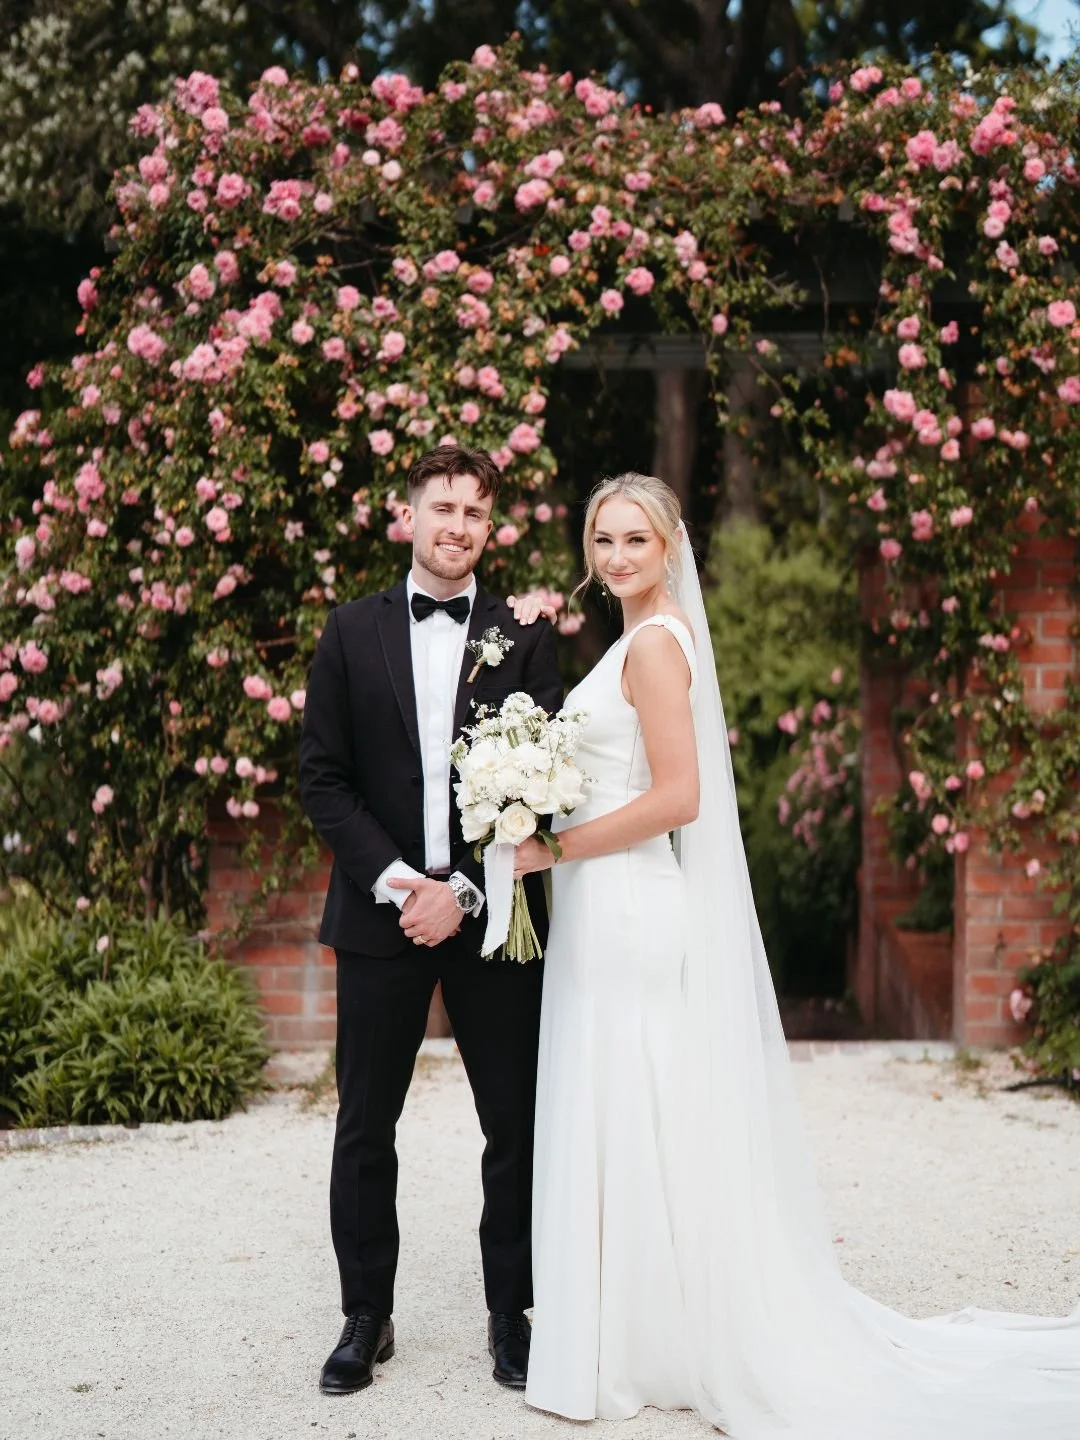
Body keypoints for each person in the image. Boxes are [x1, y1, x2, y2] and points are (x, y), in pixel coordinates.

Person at [513, 472, 1080, 1436]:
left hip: (627, 904)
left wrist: (552, 845)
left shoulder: (653, 648)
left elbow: (679, 798)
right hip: (604, 905)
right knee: (633, 1105)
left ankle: (643, 1337)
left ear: (671, 545)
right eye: (602, 540)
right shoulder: (639, 640)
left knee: (626, 1098)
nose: (616, 557)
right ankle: (639, 1327)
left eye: (635, 541)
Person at [298, 444, 562, 1397]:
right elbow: (321, 779)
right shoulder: (346, 633)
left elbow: (544, 791)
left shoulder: (526, 637)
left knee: (516, 1122)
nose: (458, 527)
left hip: (497, 921)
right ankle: (366, 1314)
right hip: (382, 919)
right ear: (407, 515)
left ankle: (513, 1311)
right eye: (442, 508)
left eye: (475, 514)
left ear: (491, 529)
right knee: (367, 1122)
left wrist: (468, 891)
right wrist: (405, 883)